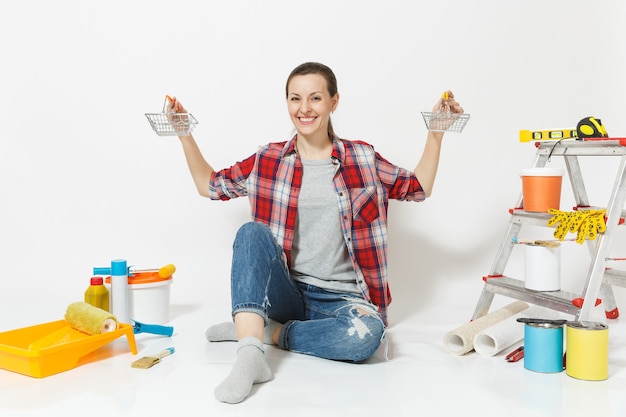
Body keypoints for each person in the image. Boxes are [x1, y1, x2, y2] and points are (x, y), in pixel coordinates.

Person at [168, 62, 464, 404]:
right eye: (295, 99)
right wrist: (183, 133)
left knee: (368, 337)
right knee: (251, 233)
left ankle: (264, 331)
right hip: (286, 293)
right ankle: (250, 356)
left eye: (315, 98)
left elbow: (418, 187)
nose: (304, 108)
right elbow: (210, 186)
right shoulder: (268, 158)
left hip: (343, 299)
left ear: (333, 102)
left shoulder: (363, 158)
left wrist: (436, 133)